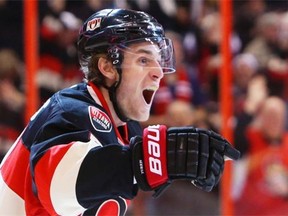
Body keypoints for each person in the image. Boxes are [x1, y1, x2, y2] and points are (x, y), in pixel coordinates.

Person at [0, 8, 240, 215]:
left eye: (158, 61)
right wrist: (145, 161)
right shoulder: (72, 109)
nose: (159, 73)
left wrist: (155, 162)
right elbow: (56, 190)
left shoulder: (125, 129)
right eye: (144, 61)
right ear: (106, 67)